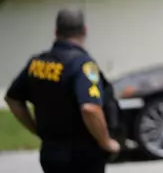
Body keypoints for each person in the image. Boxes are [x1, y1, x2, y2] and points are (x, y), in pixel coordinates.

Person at [4, 9, 121, 173]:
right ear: (84, 31)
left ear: (56, 32)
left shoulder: (37, 63)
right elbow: (90, 108)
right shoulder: (83, 65)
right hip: (81, 157)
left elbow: (13, 99)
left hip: (51, 154)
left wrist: (36, 129)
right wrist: (106, 142)